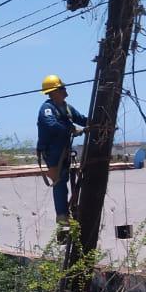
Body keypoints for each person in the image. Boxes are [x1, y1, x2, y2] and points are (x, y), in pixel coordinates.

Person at [36, 74, 88, 222]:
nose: (65, 90)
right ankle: (62, 217)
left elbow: (82, 119)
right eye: (62, 88)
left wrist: (98, 122)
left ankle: (67, 213)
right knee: (59, 182)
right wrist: (70, 129)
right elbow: (51, 125)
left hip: (64, 150)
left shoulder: (67, 108)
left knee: (65, 179)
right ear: (54, 91)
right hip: (52, 152)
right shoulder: (47, 108)